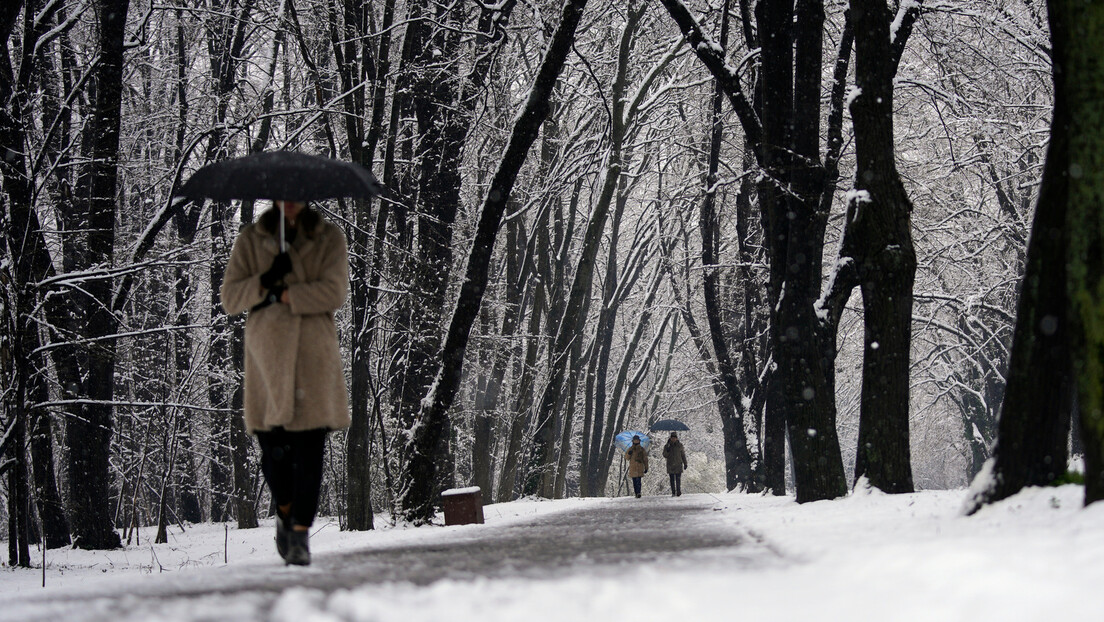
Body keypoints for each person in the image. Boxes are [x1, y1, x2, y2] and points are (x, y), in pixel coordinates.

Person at [220, 199, 350, 566]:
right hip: (267, 357)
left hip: (313, 355)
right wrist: (265, 280)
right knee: (274, 452)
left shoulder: (328, 238)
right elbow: (230, 298)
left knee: (310, 452)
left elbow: (334, 292)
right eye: (283, 193)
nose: (290, 200)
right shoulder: (251, 239)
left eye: (297, 193)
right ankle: (285, 508)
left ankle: (299, 534)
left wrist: (289, 294)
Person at [662, 432, 688, 497]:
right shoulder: (667, 446)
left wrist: (685, 463)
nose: (673, 439)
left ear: (676, 438)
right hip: (670, 465)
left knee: (678, 479)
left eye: (674, 438)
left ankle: (678, 491)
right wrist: (668, 450)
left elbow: (683, 455)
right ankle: (673, 492)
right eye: (672, 438)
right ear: (670, 438)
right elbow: (664, 455)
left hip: (678, 464)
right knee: (672, 480)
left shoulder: (680, 445)